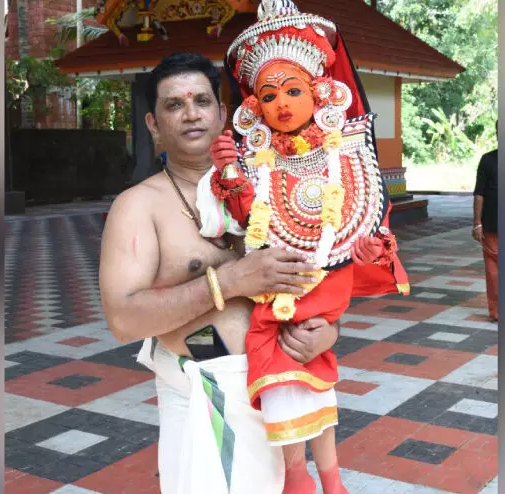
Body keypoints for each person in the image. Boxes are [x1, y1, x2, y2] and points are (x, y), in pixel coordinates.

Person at [99, 51, 342, 494]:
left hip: (285, 387)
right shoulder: (138, 205)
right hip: (208, 393)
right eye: (174, 104)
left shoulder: (272, 186)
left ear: (223, 113)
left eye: (201, 101)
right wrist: (229, 281)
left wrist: (328, 331)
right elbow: (122, 318)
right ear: (153, 123)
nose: (191, 113)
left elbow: (320, 276)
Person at [195, 2, 410, 493]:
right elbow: (249, 215)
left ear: (320, 92)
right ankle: (301, 476)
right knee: (281, 370)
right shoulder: (255, 160)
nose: (282, 104)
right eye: (268, 96)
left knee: (308, 368)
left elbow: (366, 219)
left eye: (293, 90)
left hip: (322, 291)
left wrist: (371, 250)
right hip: (271, 295)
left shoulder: (346, 150)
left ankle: (326, 479)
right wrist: (229, 170)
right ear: (254, 107)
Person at [473, 119, 498, 322]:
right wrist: (477, 223)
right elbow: (479, 193)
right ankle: (497, 311)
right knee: (493, 271)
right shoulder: (488, 160)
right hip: (492, 224)